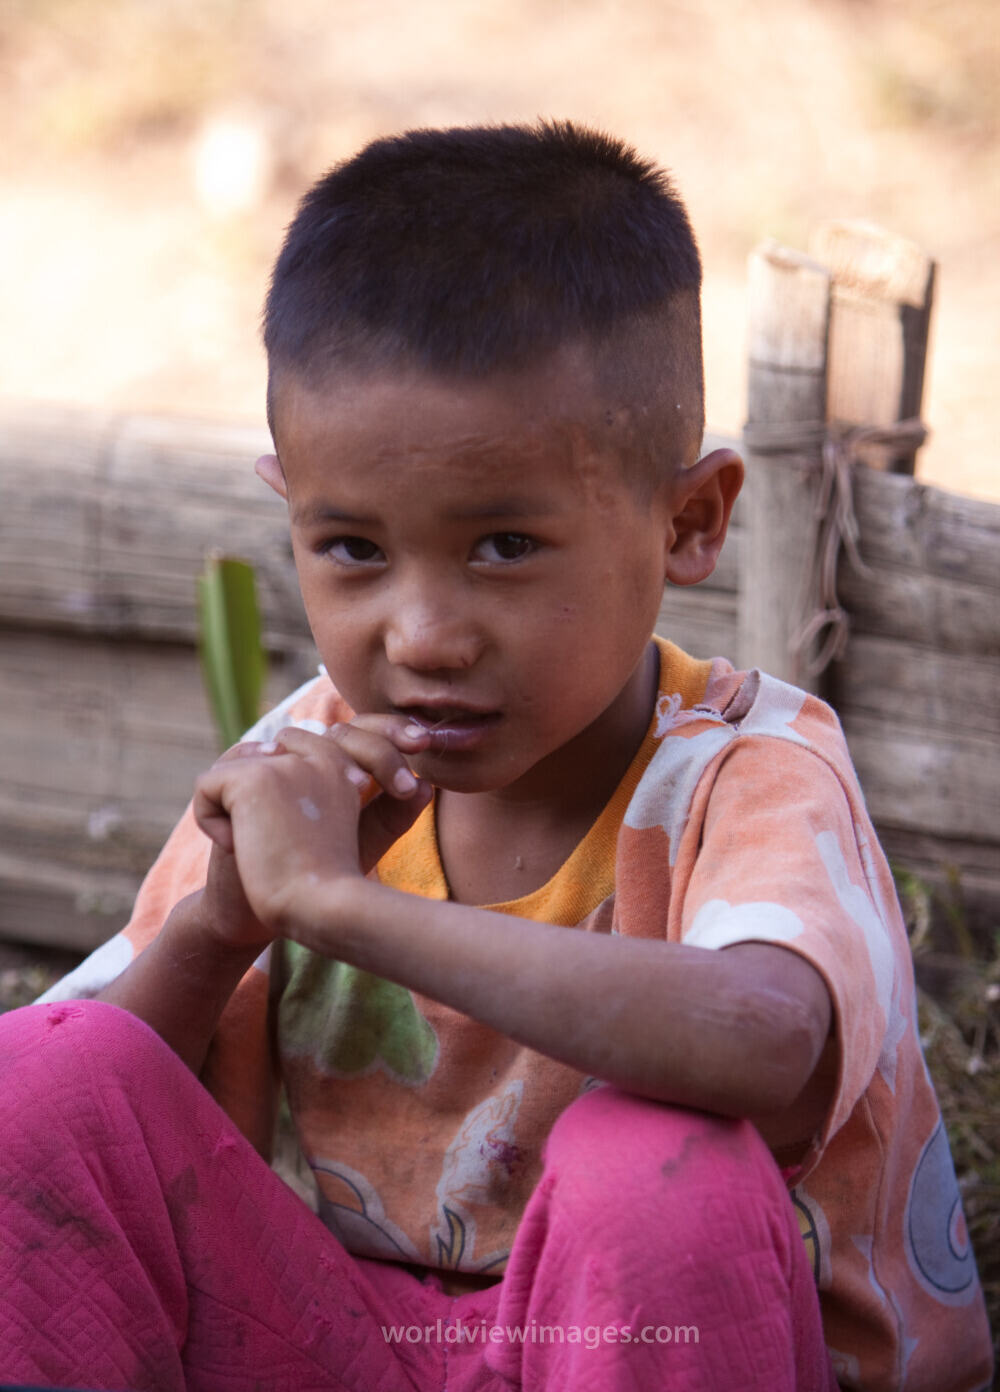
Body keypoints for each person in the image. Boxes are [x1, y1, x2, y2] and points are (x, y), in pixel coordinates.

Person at [1, 122, 991, 1392]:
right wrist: (222, 926)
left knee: (657, 1168)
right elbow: (91, 1114)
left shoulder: (745, 771)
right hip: (347, 1341)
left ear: (688, 521)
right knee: (40, 1076)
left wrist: (344, 909)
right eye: (353, 548)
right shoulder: (307, 768)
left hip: (664, 1349)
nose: (421, 636)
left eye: (505, 547)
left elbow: (765, 1042)